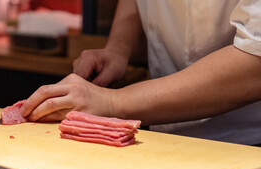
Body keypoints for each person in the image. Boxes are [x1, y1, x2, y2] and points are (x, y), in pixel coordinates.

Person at [20, 0, 261, 145]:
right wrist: (118, 47)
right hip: (162, 135)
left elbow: (254, 62)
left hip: (247, 142)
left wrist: (112, 102)